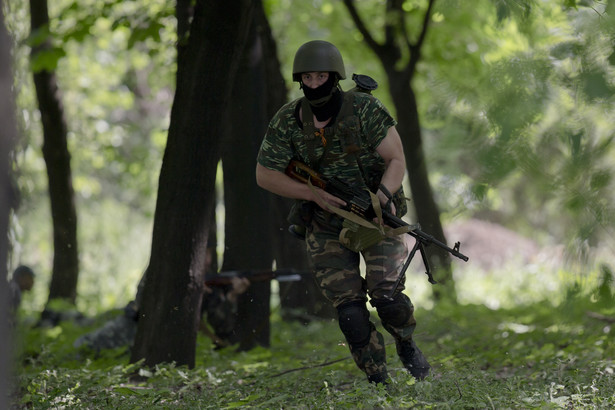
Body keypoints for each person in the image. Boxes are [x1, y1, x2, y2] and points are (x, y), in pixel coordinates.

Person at [256, 40, 430, 384]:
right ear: (299, 79)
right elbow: (265, 175)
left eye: (322, 76)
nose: (315, 83)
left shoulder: (364, 109)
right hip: (325, 224)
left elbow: (396, 160)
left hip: (375, 216)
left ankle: (406, 343)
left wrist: (381, 196)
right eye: (308, 77)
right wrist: (312, 194)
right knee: (350, 313)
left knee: (388, 298)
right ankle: (378, 379)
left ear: (334, 76)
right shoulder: (288, 120)